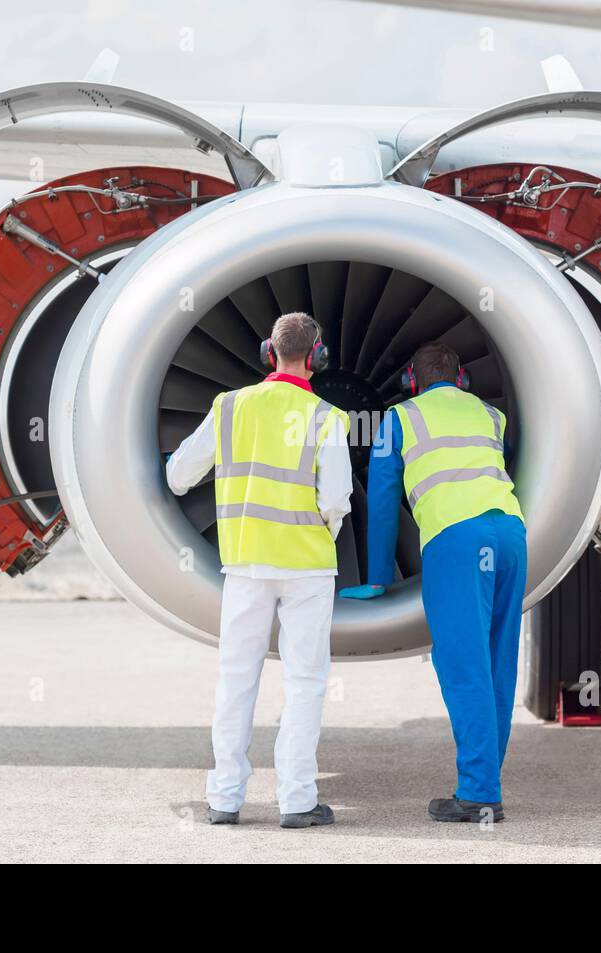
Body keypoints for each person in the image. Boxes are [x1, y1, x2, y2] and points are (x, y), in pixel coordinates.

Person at [166, 312, 352, 829]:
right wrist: (320, 534)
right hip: (308, 567)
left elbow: (179, 477)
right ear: (318, 358)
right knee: (306, 681)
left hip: (245, 565)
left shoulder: (229, 408)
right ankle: (296, 800)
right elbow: (335, 499)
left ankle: (224, 799)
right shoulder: (326, 418)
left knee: (236, 678)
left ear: (268, 352)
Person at [341, 341, 525, 823]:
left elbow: (382, 504)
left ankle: (479, 792)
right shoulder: (490, 415)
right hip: (509, 531)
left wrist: (379, 579)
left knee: (463, 665)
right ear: (461, 377)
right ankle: (486, 781)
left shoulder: (399, 420)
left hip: (455, 538)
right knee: (496, 661)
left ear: (410, 381)